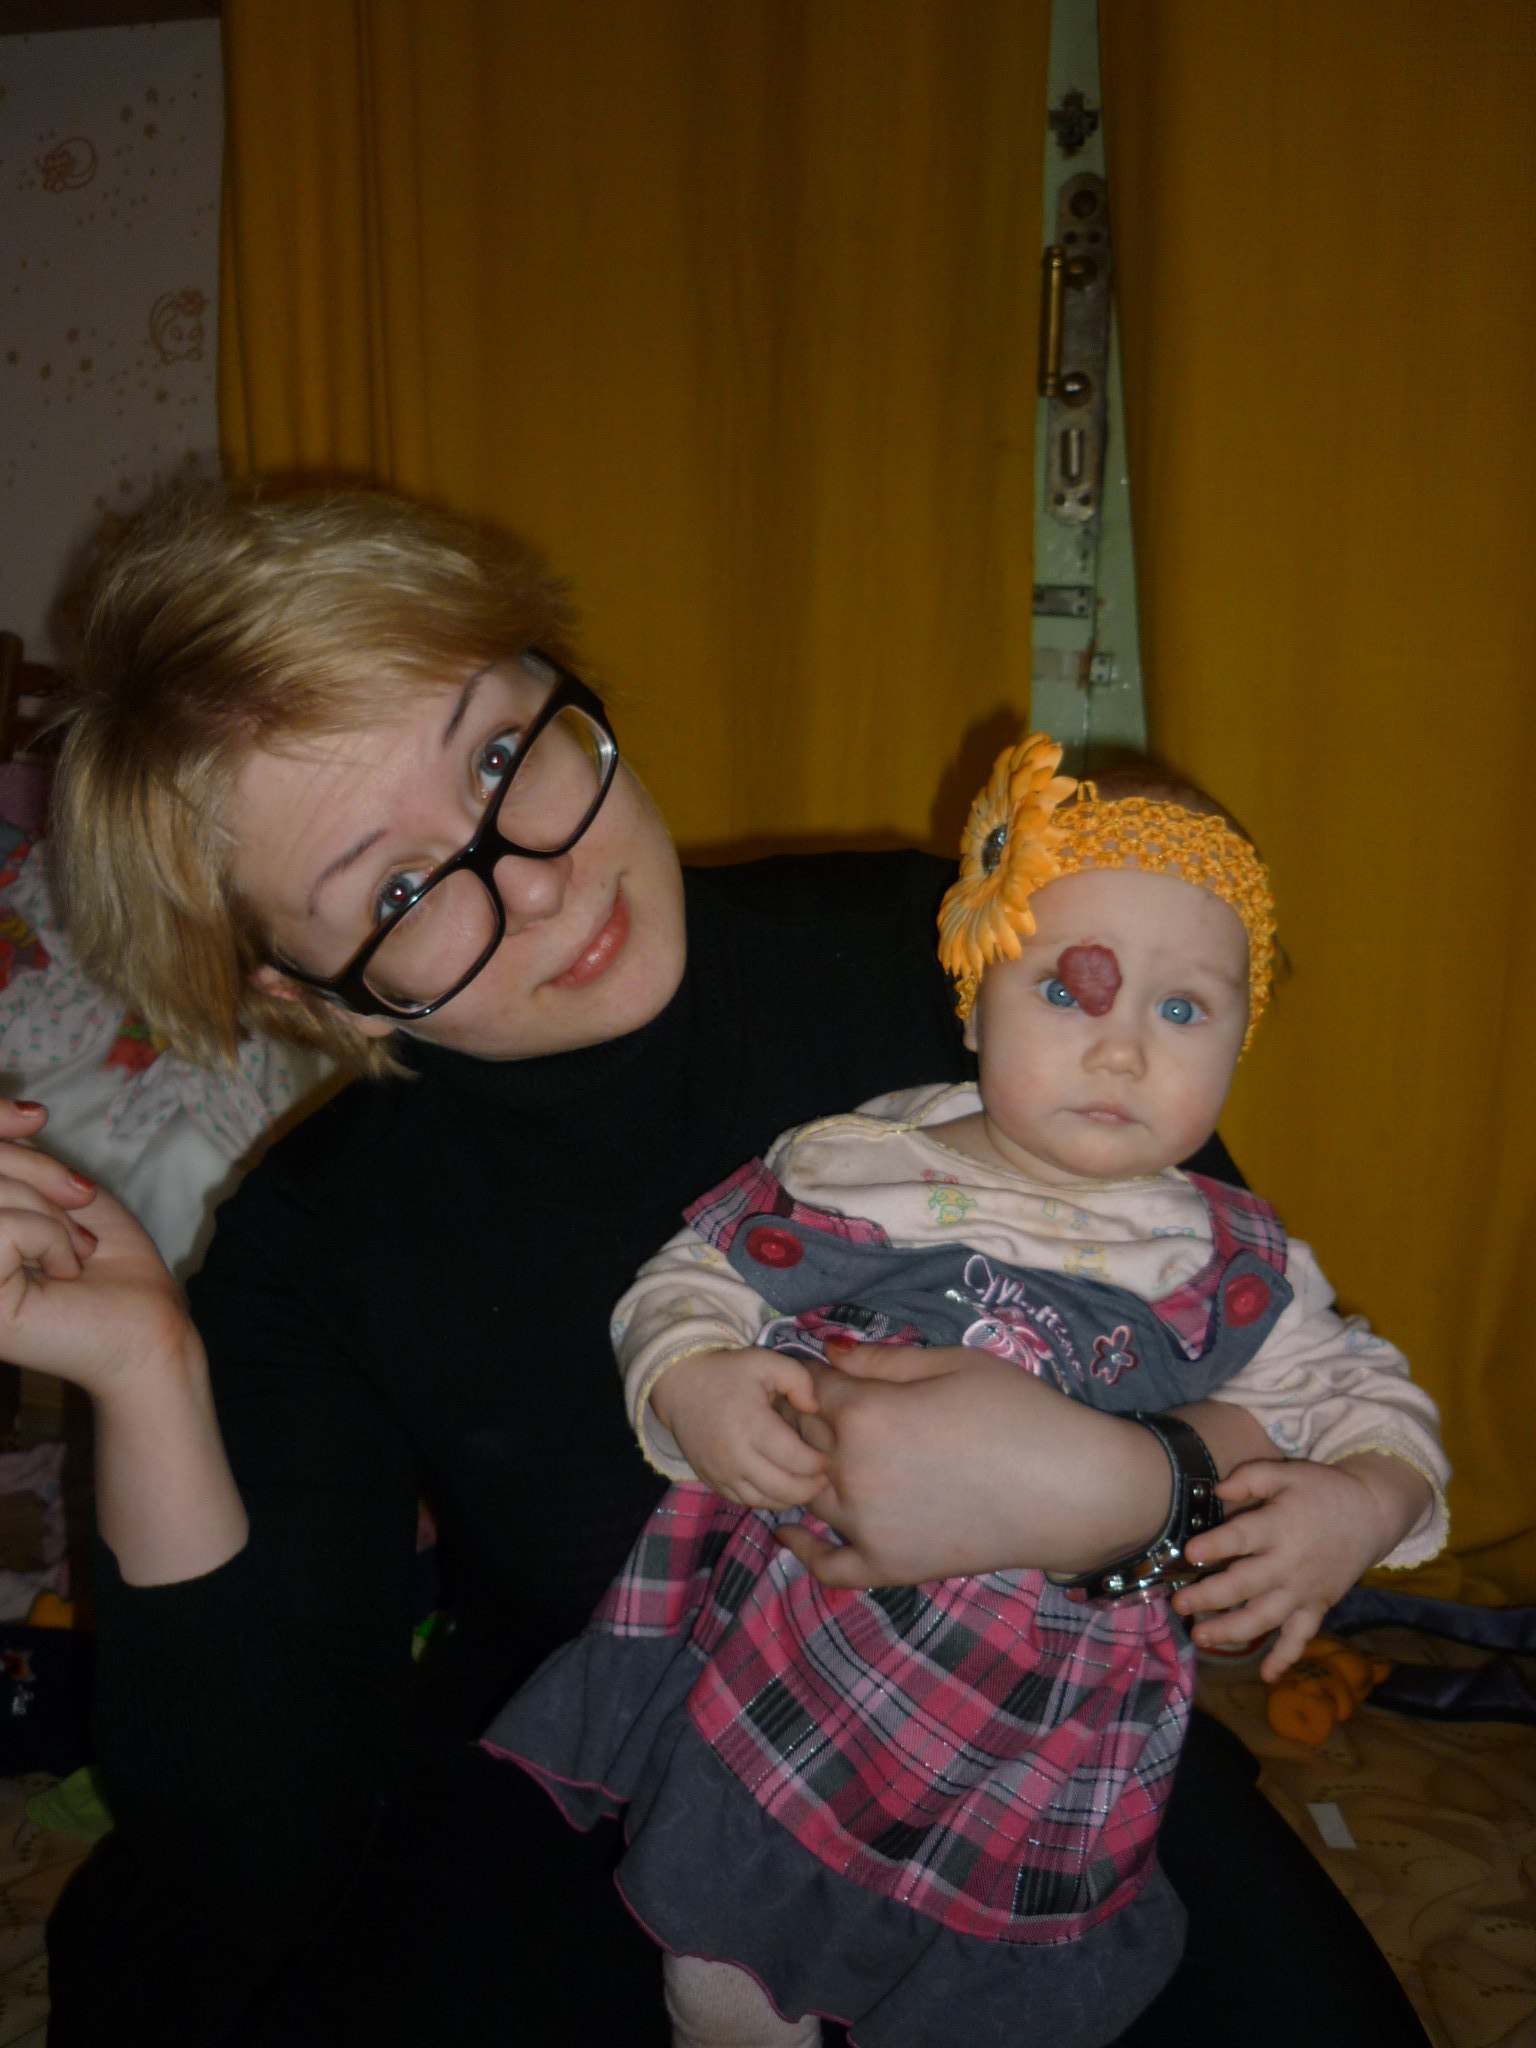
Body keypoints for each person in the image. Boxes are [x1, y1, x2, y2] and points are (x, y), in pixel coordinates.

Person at [0, 481, 1431, 2047]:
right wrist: (145, 1374)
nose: (535, 879)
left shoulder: (946, 956)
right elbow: (252, 1848)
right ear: (313, 992)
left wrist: (1113, 1490)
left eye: (500, 756)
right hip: (598, 1778)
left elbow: (1289, 1378)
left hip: (1039, 1747)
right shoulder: (316, 1245)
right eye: (399, 891)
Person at [485, 738, 1447, 2048]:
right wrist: (696, 1382)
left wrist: (1362, 1504)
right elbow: (690, 1280)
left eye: (1183, 1011)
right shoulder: (867, 1162)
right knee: (723, 1970)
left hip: (1041, 1753)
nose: (1122, 1052)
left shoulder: (1234, 1269)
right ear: (976, 994)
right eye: (1068, 990)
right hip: (789, 1681)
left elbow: (1376, 1408)